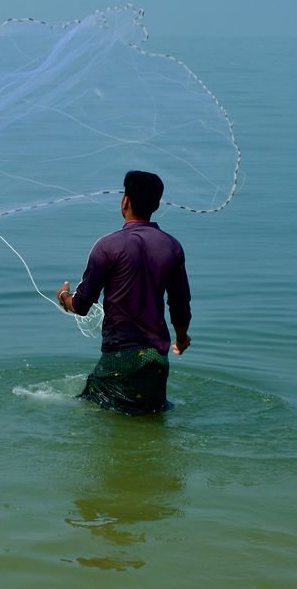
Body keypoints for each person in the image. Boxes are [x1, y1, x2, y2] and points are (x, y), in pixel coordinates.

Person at [56, 171, 191, 415]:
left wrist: (65, 298)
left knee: (91, 412)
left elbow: (82, 305)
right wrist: (181, 338)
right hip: (157, 360)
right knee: (150, 424)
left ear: (125, 201)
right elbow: (180, 304)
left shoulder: (107, 246)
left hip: (120, 358)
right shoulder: (172, 246)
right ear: (157, 204)